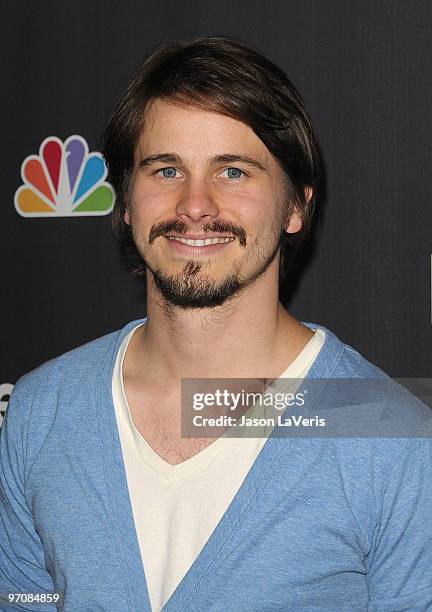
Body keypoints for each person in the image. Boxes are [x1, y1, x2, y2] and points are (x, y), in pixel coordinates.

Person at [1, 36, 431, 612]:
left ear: (296, 207)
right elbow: (24, 599)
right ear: (126, 202)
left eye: (232, 171)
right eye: (165, 169)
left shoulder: (391, 439)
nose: (194, 204)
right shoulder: (43, 410)